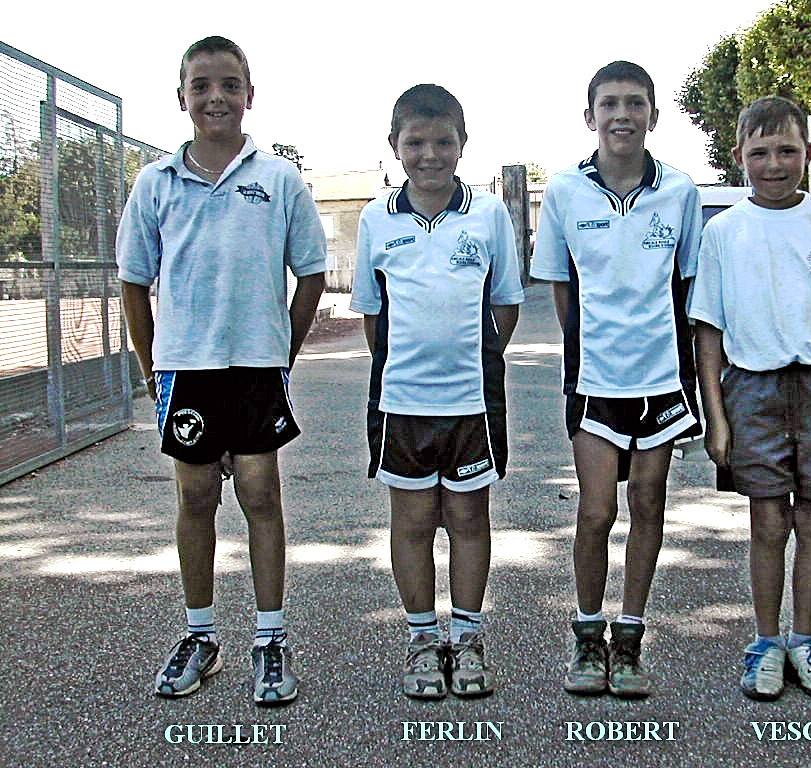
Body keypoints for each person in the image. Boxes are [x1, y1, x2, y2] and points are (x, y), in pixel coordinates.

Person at [116, 36, 326, 706]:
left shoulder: (279, 179)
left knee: (261, 495)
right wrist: (154, 370)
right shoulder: (155, 183)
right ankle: (201, 634)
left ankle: (271, 637)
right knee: (196, 498)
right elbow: (133, 283)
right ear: (181, 98)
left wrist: (282, 354)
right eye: (201, 85)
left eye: (230, 85)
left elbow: (311, 274)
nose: (216, 97)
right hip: (187, 370)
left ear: (249, 96)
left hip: (256, 367)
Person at [688, 95, 811, 702]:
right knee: (768, 521)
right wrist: (716, 418)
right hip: (753, 390)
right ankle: (765, 642)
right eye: (761, 152)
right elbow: (708, 331)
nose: (774, 165)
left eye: (787, 151)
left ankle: (805, 640)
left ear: (809, 154)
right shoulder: (723, 232)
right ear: (739, 156)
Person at [530, 61, 703, 699]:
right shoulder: (565, 192)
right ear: (590, 116)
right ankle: (587, 635)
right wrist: (589, 353)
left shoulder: (680, 192)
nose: (621, 115)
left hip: (662, 380)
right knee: (597, 509)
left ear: (653, 116)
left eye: (635, 103)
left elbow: (689, 285)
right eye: (609, 104)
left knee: (649, 503)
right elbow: (560, 287)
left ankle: (629, 639)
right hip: (595, 381)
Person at [351, 84, 524, 700]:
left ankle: (468, 639)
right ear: (394, 145)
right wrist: (406, 367)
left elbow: (506, 303)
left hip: (472, 405)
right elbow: (373, 315)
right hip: (402, 404)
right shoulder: (376, 219)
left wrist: (474, 360)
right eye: (415, 142)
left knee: (469, 518)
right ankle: (424, 639)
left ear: (463, 143)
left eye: (443, 141)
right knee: (413, 521)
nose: (429, 154)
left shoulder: (489, 214)